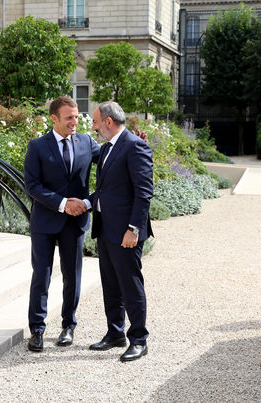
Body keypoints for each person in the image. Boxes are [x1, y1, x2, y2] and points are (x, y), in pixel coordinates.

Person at [24, 96, 100, 352]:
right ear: (54, 118)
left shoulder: (87, 142)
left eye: (77, 116)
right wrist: (63, 202)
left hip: (74, 222)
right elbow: (32, 185)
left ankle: (69, 325)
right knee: (41, 276)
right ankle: (37, 329)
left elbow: (111, 161)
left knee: (72, 276)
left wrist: (134, 146)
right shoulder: (37, 146)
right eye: (69, 117)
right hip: (45, 221)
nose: (74, 122)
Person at [81, 101, 154, 361]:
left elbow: (144, 193)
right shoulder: (108, 148)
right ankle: (115, 333)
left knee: (130, 286)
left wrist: (133, 228)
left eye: (95, 122)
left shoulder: (135, 146)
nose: (93, 127)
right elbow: (106, 190)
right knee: (111, 286)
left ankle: (139, 339)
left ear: (108, 122)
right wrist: (88, 203)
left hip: (126, 232)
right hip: (106, 229)